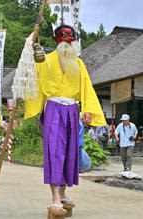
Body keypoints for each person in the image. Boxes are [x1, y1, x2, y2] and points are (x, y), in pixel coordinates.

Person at [24, 24, 106, 217]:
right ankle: (54, 197)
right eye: (63, 39)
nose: (67, 43)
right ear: (55, 41)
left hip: (72, 110)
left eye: (70, 39)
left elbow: (86, 87)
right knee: (55, 151)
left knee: (70, 151)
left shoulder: (78, 64)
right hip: (53, 109)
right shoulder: (46, 61)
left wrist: (87, 110)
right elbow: (34, 82)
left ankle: (62, 192)